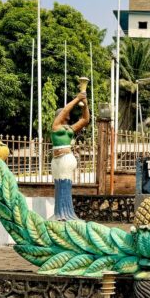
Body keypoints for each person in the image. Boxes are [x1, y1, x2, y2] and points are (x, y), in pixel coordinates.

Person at [50, 92, 90, 221]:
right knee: (59, 185)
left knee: (64, 185)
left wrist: (85, 105)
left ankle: (65, 214)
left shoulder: (69, 129)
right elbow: (65, 110)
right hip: (57, 160)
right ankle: (60, 212)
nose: (67, 112)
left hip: (66, 159)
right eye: (64, 112)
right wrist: (77, 99)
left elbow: (85, 120)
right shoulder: (56, 126)